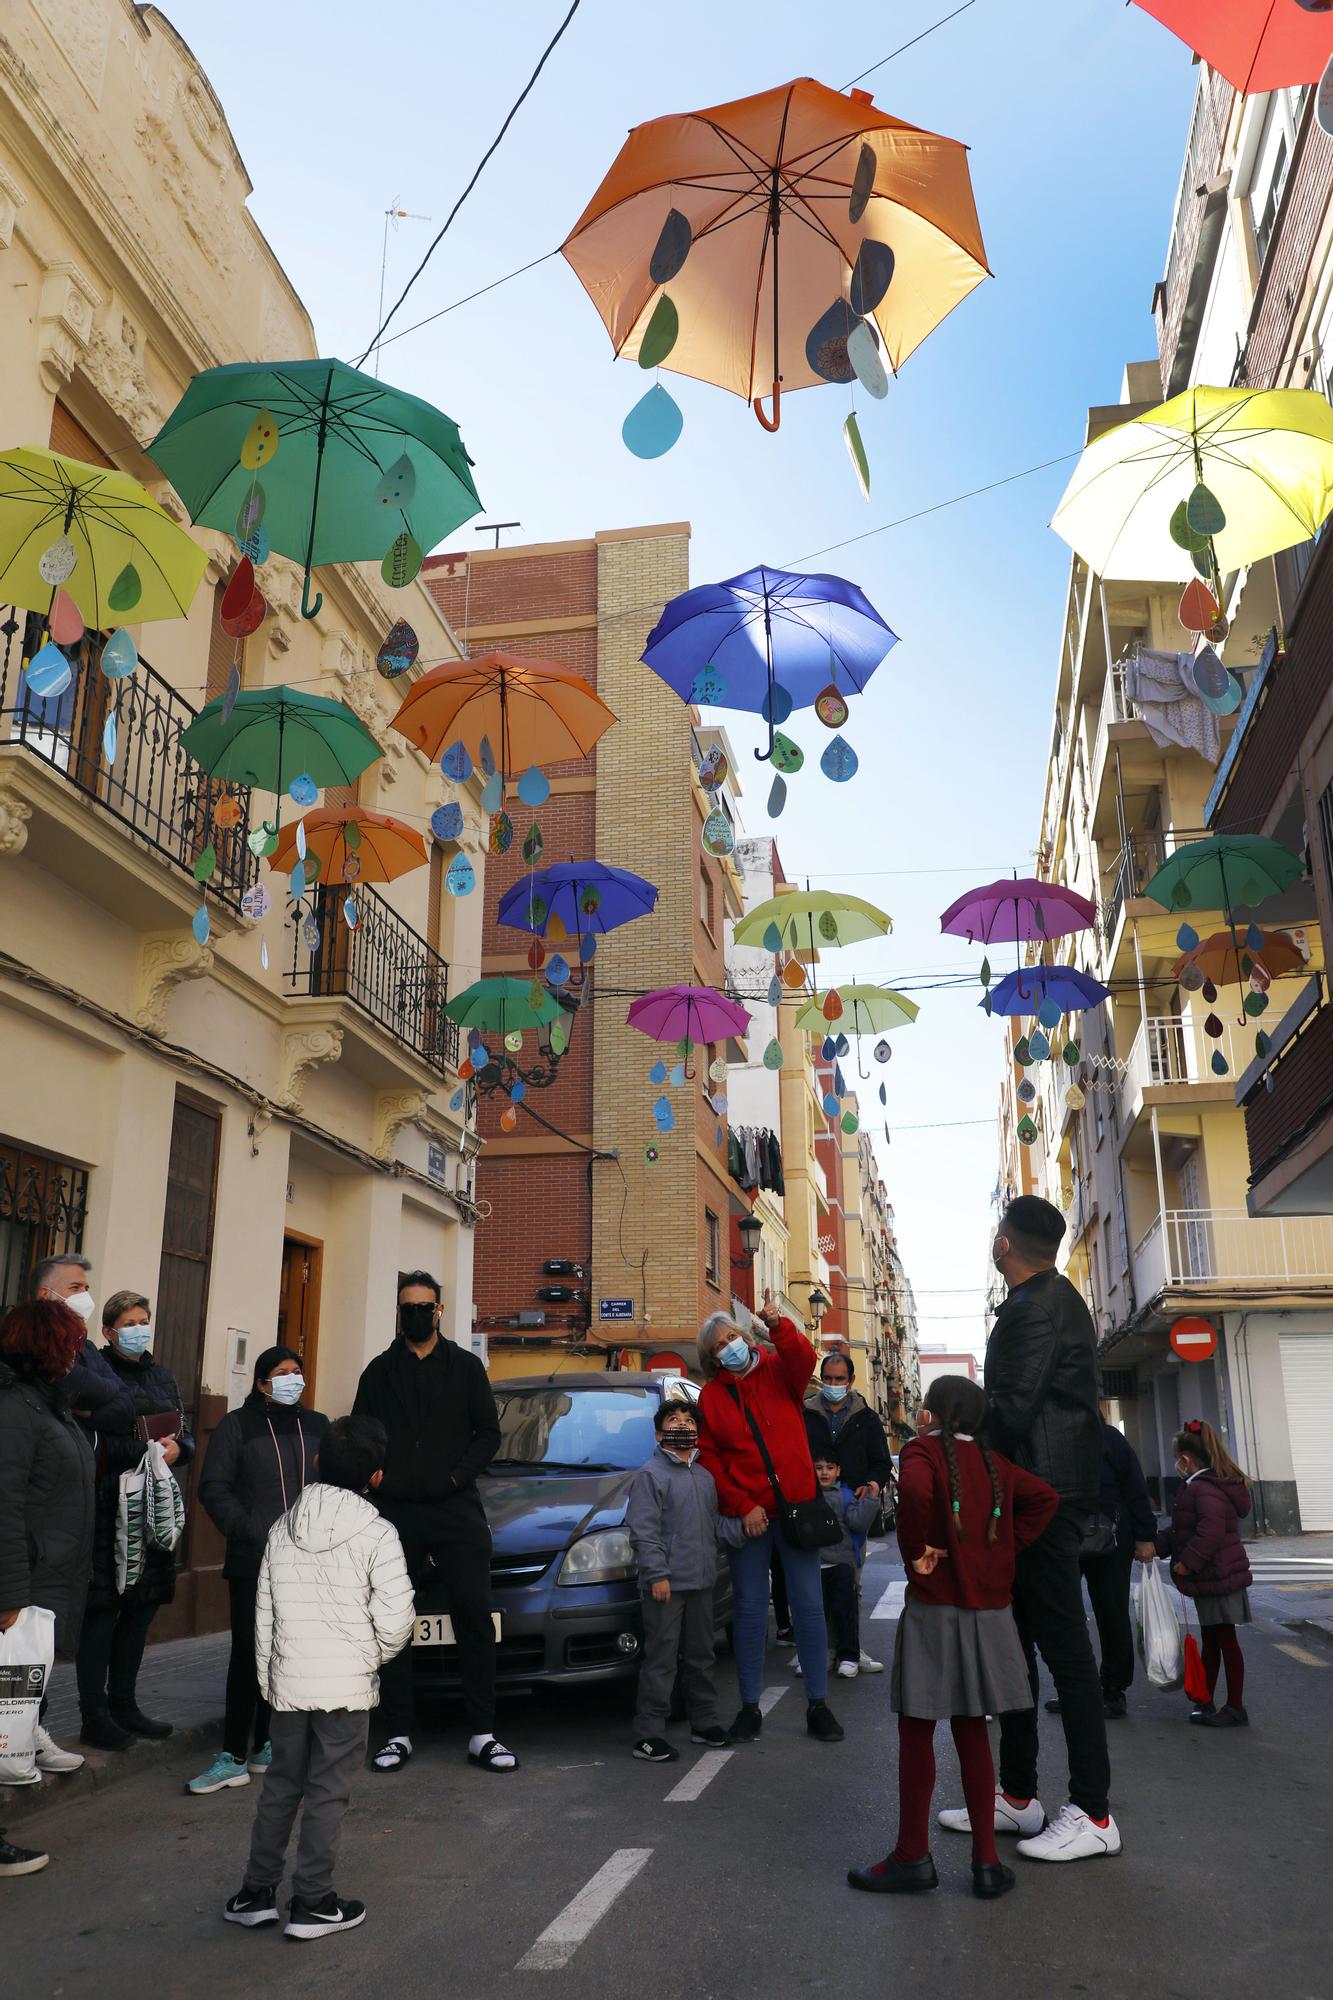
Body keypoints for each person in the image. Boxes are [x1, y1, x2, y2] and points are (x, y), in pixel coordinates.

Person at [942, 1195, 1119, 1864]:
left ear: (1003, 1243)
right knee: (1017, 1647)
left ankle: (1093, 1812)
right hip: (1045, 1487)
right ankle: (1017, 1797)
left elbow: (1011, 1411)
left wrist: (955, 1460)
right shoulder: (1048, 1298)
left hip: (1044, 1492)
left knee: (1063, 1649)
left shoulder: (1033, 1309)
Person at [848, 1376, 1059, 1902]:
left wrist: (919, 1549)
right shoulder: (996, 1464)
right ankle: (986, 1862)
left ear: (935, 1414)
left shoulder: (922, 1452)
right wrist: (999, 1552)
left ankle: (912, 1856)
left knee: (918, 1730)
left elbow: (915, 1491)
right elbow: (1045, 1499)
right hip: (989, 1612)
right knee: (972, 1729)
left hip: (936, 1610)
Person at [224, 1414, 415, 1940]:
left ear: (314, 1462)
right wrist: (368, 1658)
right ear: (375, 1477)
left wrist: (271, 1677)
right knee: (328, 1790)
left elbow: (263, 1614)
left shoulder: (282, 1527)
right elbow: (398, 1620)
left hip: (288, 1685)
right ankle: (312, 1901)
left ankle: (254, 1893)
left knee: (280, 1786)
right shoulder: (378, 1532)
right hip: (346, 1686)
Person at [353, 1271, 516, 1775]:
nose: (417, 1314)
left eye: (425, 1306)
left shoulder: (466, 1367)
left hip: (456, 1508)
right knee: (394, 1621)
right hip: (395, 1513)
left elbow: (488, 1433)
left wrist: (454, 1477)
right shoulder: (378, 1372)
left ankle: (483, 1733)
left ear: (440, 1311)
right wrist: (376, 1477)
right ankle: (397, 1732)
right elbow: (361, 1431)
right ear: (398, 1313)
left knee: (473, 1614)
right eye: (408, 1307)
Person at [697, 1289, 844, 1745]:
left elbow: (804, 1356)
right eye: (718, 1346)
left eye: (731, 1338)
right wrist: (743, 1505)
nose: (728, 1348)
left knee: (808, 1607)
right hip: (752, 1517)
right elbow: (710, 1459)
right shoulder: (712, 1398)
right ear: (712, 1358)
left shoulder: (780, 1370)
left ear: (745, 1335)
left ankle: (818, 1704)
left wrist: (777, 1324)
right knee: (747, 1610)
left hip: (796, 1510)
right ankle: (748, 1707)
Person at [190, 1345, 328, 1796]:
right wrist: (251, 1530)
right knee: (249, 1654)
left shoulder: (317, 1426)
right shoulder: (237, 1426)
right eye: (281, 1373)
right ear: (262, 1383)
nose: (292, 1379)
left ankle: (265, 1744)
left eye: (297, 1372)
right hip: (255, 1560)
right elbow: (214, 1487)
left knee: (288, 1654)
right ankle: (232, 1755)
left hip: (308, 1560)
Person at [0, 1298, 97, 1877]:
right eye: (71, 1344)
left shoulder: (46, 1404)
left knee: (8, 1714)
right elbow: (4, 1504)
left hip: (41, 1584)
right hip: (21, 1591)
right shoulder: (16, 1408)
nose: (76, 1356)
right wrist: (8, 1595)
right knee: (2, 1715)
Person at [75, 1291, 194, 1749]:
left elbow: (183, 1435)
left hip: (152, 1506)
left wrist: (177, 1449)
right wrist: (140, 1446)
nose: (139, 1329)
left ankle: (125, 1704)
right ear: (107, 1331)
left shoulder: (162, 1375)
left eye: (144, 1320)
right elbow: (96, 1435)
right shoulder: (95, 1373)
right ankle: (94, 1713)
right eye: (129, 1322)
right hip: (109, 1504)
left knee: (141, 1608)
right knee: (103, 1609)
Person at [624, 1399, 732, 1762]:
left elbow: (715, 1525)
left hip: (702, 1582)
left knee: (701, 1656)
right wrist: (657, 1575)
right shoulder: (650, 1476)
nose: (682, 1425)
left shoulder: (703, 1476)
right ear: (659, 1434)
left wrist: (748, 1524)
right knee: (661, 1659)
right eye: (673, 1420)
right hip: (666, 1585)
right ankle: (648, 1734)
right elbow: (644, 1532)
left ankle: (704, 1722)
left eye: (689, 1420)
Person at [1045, 1407, 1157, 1723]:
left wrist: (1146, 1536)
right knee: (1067, 1617)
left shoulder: (1109, 1440)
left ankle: (1112, 1690)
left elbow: (1136, 1490)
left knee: (1110, 1613)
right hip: (1067, 1538)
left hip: (1109, 1539)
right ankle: (1077, 1689)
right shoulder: (1060, 1442)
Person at [1157, 1419, 1253, 1729]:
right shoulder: (1204, 1485)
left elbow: (1208, 1531)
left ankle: (1235, 1706)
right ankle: (1206, 1699)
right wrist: (1157, 1546)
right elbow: (1183, 1528)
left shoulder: (1203, 1488)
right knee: (1213, 1640)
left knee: (1224, 1639)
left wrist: (1188, 1562)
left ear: (1185, 1459)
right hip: (1216, 1575)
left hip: (1218, 1575)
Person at [805, 1348, 893, 1675]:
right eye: (827, 1378)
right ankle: (821, 1649)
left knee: (850, 1585)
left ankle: (850, 1649)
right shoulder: (807, 1413)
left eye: (839, 1379)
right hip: (811, 1510)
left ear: (851, 1381)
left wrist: (871, 1485)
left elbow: (882, 1462)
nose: (832, 1384)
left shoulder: (866, 1418)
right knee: (813, 1586)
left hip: (851, 1512)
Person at [33, 1255, 136, 1438]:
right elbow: (67, 1386)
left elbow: (127, 1404)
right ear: (45, 1294)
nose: (84, 1296)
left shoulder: (87, 1347)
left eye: (86, 1289)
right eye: (75, 1288)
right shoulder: (31, 1342)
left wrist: (92, 1414)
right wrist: (107, 1391)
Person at [812, 1452, 880, 1680]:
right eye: (819, 1467)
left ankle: (849, 1656)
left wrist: (870, 1499)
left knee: (845, 1613)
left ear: (838, 1471)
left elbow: (858, 1523)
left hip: (841, 1564)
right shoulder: (805, 1495)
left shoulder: (845, 1496)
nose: (824, 1472)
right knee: (815, 1615)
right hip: (813, 1566)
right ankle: (816, 1656)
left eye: (829, 1467)